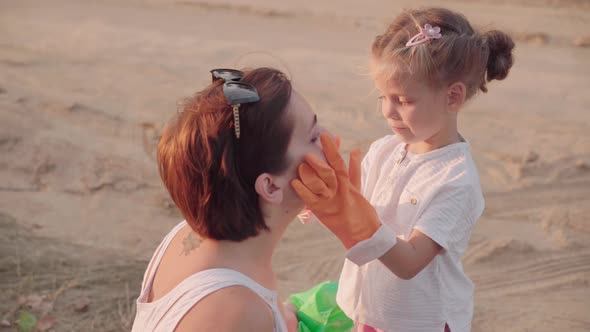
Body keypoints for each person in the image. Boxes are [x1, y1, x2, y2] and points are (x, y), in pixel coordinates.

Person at [291, 7, 515, 332]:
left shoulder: (455, 181)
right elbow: (353, 206)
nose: (387, 111)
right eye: (383, 96)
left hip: (420, 320)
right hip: (371, 309)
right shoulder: (384, 150)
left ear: (453, 97)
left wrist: (357, 222)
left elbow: (409, 263)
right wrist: (325, 200)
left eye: (403, 100)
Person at [131, 67, 325, 332]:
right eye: (313, 137)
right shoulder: (239, 311)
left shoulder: (190, 233)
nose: (328, 140)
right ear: (270, 186)